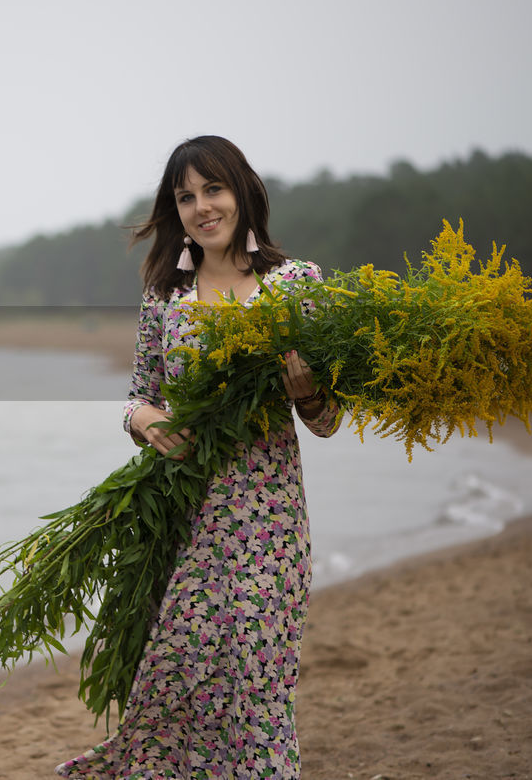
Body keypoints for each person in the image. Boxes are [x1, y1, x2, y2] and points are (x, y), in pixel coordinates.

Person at [56, 136, 341, 779]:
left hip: (268, 520)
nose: (201, 207)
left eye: (212, 189)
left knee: (258, 684)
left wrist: (309, 394)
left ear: (242, 191)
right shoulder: (166, 297)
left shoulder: (294, 285)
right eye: (186, 197)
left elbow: (326, 422)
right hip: (186, 520)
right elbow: (139, 396)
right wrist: (146, 421)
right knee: (176, 689)